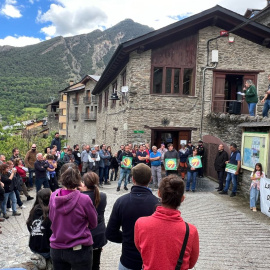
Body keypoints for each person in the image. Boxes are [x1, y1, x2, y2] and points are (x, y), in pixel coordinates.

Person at [135, 175, 199, 270]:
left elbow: (140, 249)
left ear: (159, 194)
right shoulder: (190, 230)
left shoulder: (141, 223)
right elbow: (191, 263)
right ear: (182, 198)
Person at [106, 163, 159, 270]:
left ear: (133, 179)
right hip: (150, 261)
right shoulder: (158, 204)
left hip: (128, 260)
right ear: (150, 179)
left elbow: (110, 233)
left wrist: (127, 238)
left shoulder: (121, 202)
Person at [49, 163, 97, 270]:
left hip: (57, 248)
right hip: (79, 250)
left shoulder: (53, 196)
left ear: (61, 176)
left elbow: (52, 218)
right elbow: (94, 223)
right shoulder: (84, 199)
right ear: (78, 177)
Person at [80, 172, 107, 270]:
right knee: (96, 263)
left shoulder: (80, 197)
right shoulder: (102, 196)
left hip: (84, 234)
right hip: (99, 233)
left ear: (83, 183)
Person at [26, 188, 52, 269]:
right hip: (47, 249)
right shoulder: (50, 213)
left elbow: (29, 226)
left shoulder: (33, 210)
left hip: (33, 246)